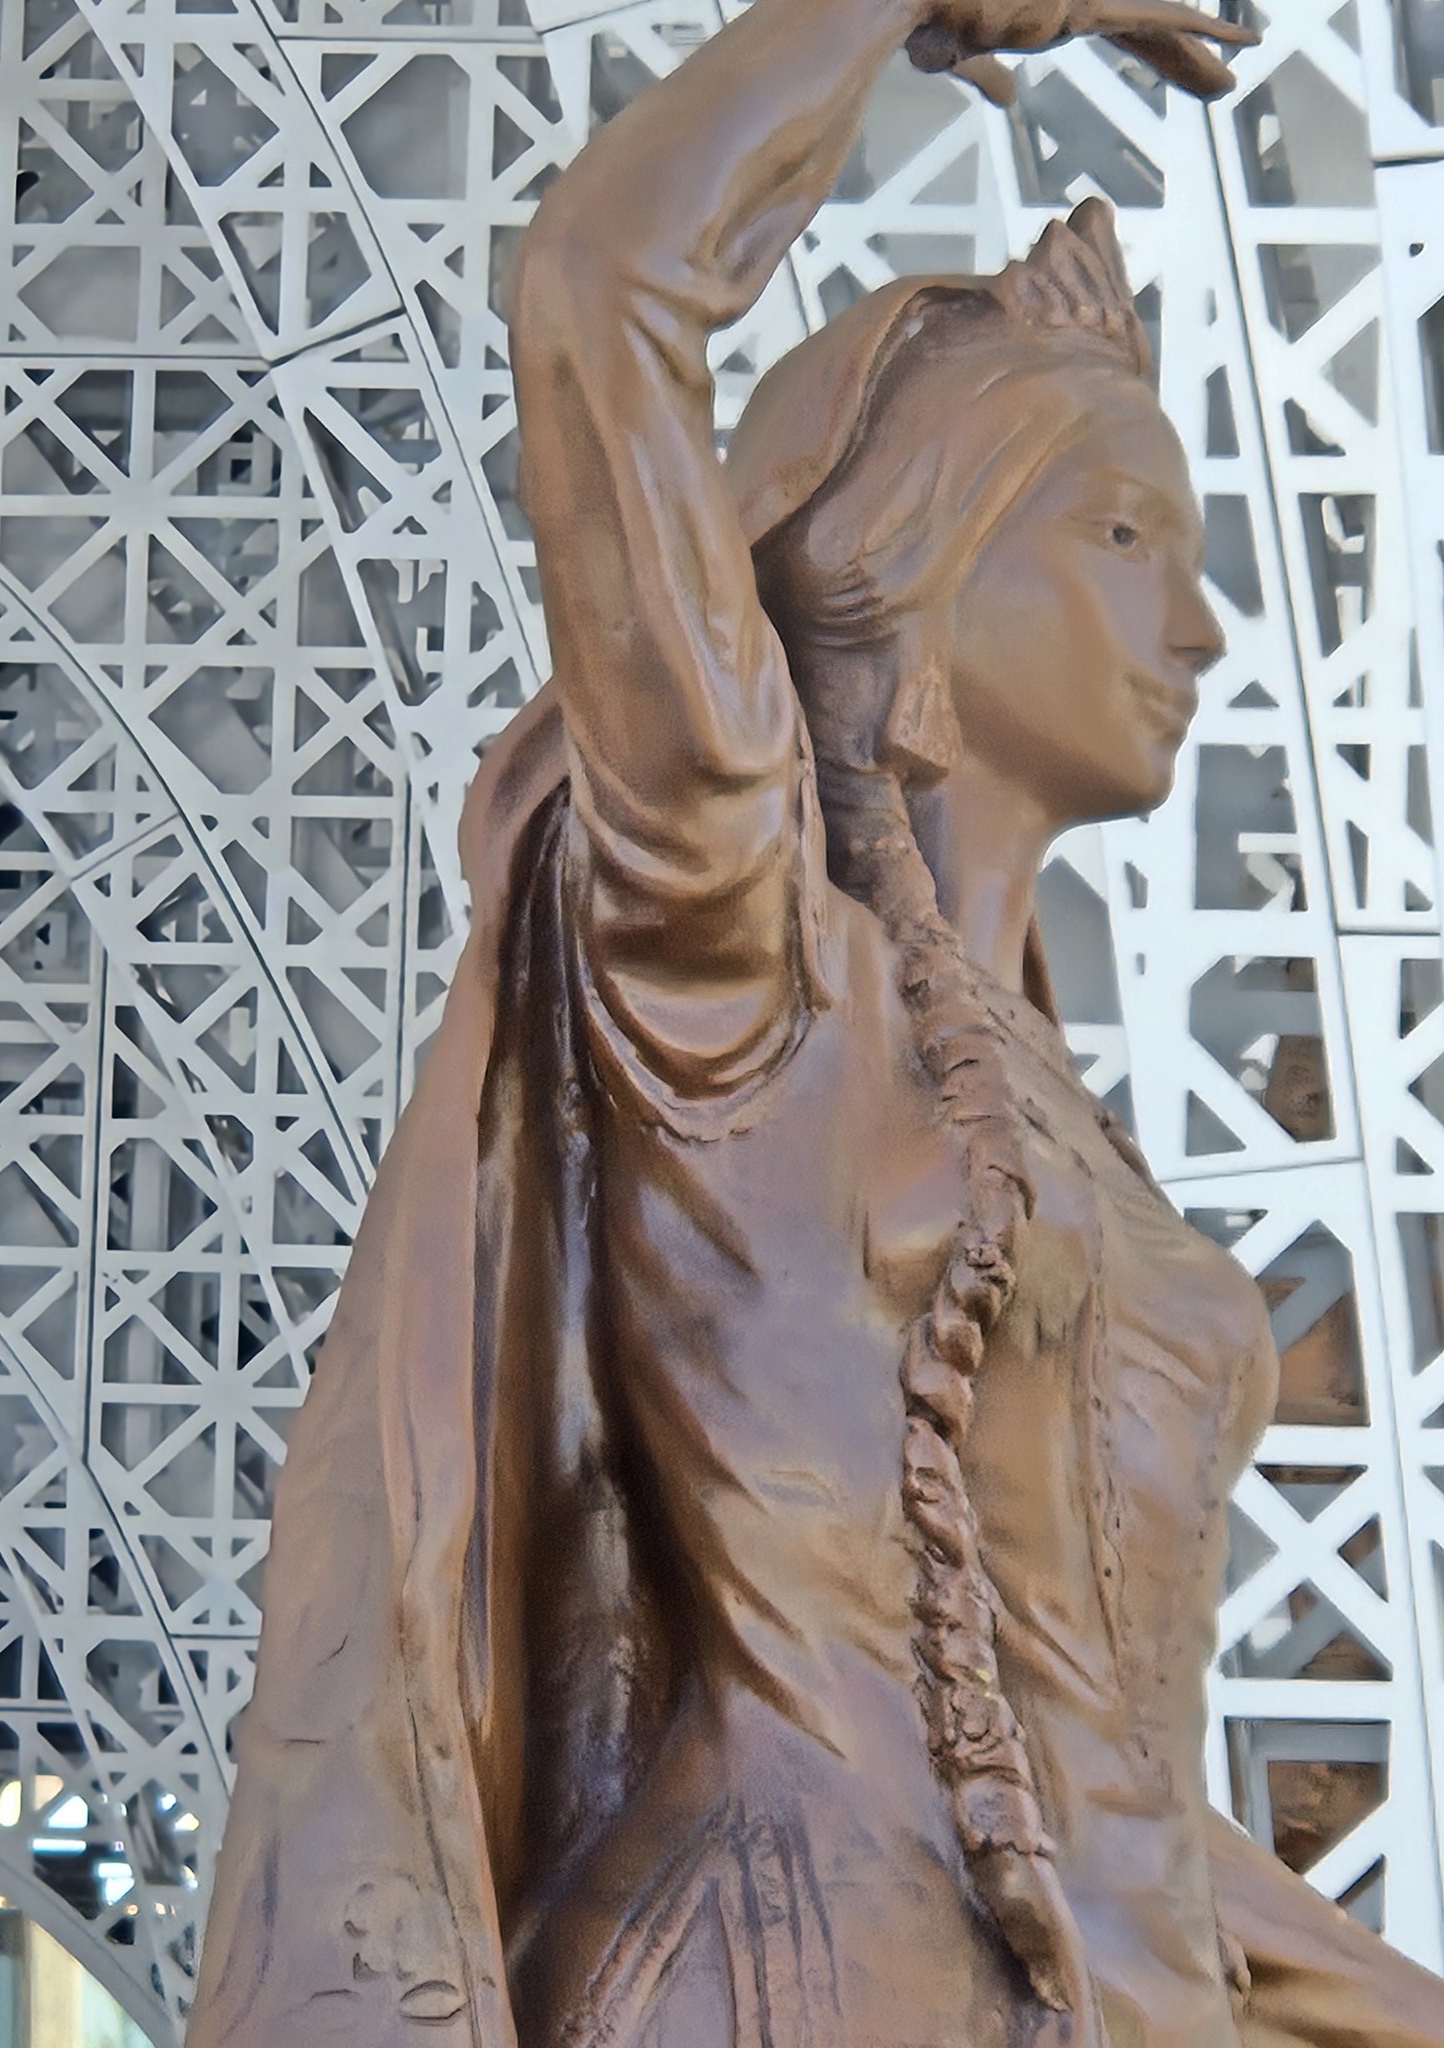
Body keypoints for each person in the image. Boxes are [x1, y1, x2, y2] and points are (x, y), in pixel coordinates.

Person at [184, 5, 1444, 2044]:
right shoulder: (746, 964)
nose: (1199, 628)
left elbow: (1104, 1810)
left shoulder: (1052, 1110)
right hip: (770, 1981)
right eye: (1127, 537)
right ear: (913, 558)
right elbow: (600, 290)